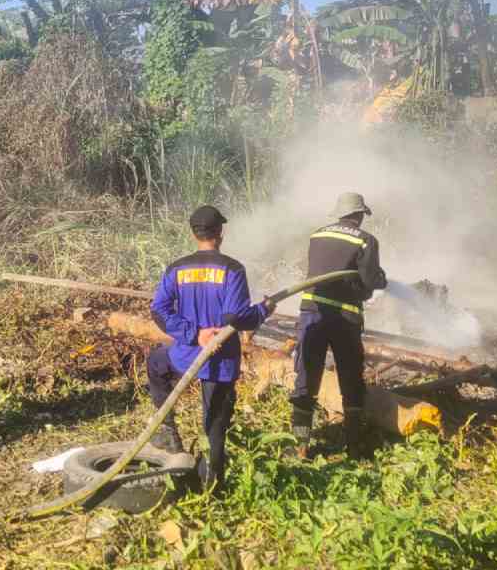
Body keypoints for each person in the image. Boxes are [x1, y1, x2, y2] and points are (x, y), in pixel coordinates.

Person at [148, 205, 274, 492]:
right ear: (220, 233)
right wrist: (265, 310)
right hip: (220, 361)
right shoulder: (232, 269)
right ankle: (212, 485)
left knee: (157, 363)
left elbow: (159, 310)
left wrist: (193, 334)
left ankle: (167, 429)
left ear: (194, 234)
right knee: (215, 422)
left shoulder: (177, 268)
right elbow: (237, 318)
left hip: (185, 354)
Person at [290, 192, 388, 460]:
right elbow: (370, 280)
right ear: (358, 215)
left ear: (339, 213)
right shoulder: (365, 240)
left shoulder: (317, 235)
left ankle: (301, 446)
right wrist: (381, 281)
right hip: (344, 318)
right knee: (350, 377)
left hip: (312, 313)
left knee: (306, 376)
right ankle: (354, 446)